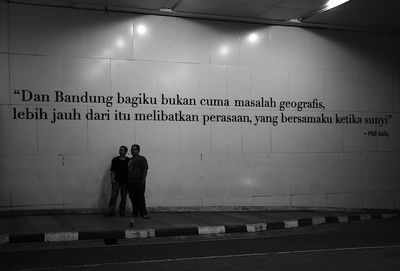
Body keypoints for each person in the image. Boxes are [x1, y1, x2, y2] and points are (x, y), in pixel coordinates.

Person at [127, 144, 149, 219]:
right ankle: (135, 212)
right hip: (130, 182)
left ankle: (143, 213)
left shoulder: (142, 159)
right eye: (131, 149)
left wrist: (143, 180)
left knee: (140, 198)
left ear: (138, 150)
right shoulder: (130, 159)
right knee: (132, 198)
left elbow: (145, 169)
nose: (132, 151)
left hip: (138, 182)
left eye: (134, 149)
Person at [107, 146, 129, 217]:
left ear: (125, 152)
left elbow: (130, 171)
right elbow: (112, 170)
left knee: (123, 197)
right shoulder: (115, 160)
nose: (120, 151)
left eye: (122, 150)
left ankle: (122, 212)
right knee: (113, 196)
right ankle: (111, 211)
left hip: (125, 182)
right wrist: (112, 179)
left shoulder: (128, 160)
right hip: (116, 181)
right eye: (120, 150)